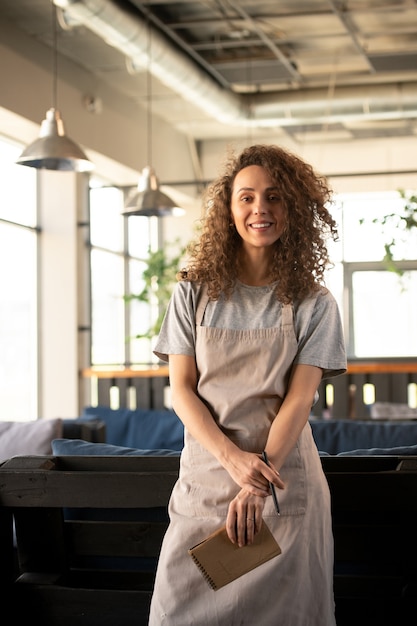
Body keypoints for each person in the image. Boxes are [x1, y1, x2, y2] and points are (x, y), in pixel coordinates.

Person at [148, 144, 347, 625]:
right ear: (229, 208)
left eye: (275, 197)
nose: (261, 209)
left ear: (293, 209)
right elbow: (182, 391)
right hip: (209, 482)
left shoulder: (314, 303)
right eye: (247, 197)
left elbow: (300, 399)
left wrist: (259, 482)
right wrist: (233, 461)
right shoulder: (193, 292)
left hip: (282, 487)